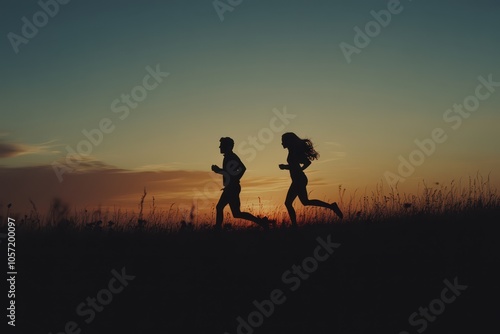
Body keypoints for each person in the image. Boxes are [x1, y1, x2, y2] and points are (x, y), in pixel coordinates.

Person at [279, 132, 343, 226]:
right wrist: (289, 168)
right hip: (298, 179)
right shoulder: (292, 150)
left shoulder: (294, 151)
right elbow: (296, 165)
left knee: (288, 203)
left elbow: (307, 162)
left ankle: (295, 227)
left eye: (283, 141)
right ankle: (331, 206)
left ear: (289, 141)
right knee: (305, 202)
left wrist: (293, 168)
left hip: (299, 179)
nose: (282, 143)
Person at [212, 137, 268, 229]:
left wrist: (220, 171)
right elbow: (229, 172)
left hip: (232, 188)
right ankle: (261, 222)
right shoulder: (229, 157)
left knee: (224, 209)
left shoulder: (231, 157)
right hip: (230, 187)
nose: (219, 147)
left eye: (222, 145)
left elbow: (242, 168)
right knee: (234, 212)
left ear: (228, 146)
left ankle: (217, 229)